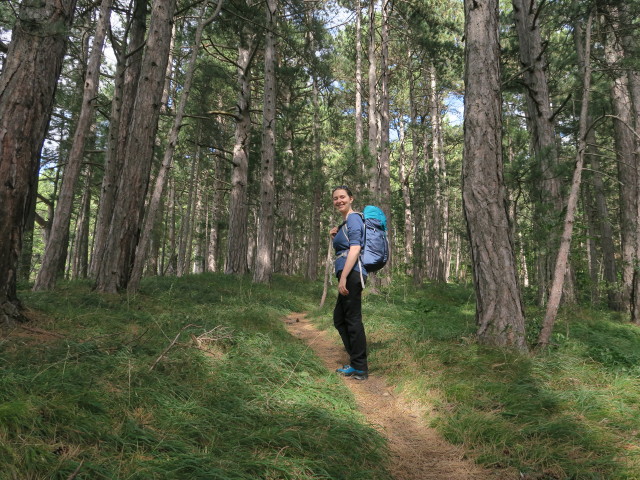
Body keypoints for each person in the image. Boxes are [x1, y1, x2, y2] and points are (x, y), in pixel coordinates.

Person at [329, 186, 368, 381]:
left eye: (342, 197)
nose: (339, 201)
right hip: (348, 272)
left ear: (351, 198)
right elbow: (346, 245)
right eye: (335, 198)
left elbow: (355, 248)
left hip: (352, 273)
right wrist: (336, 236)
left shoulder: (353, 218)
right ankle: (356, 361)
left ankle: (360, 367)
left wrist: (343, 277)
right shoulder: (345, 223)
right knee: (340, 318)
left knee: (352, 319)